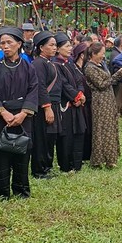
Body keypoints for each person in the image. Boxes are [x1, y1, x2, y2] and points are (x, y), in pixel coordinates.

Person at [0, 27, 38, 200]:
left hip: (23, 116)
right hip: (2, 117)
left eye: (9, 42)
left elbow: (33, 90)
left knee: (22, 151)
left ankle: (21, 190)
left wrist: (23, 113)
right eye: (2, 43)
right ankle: (1, 192)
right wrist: (3, 112)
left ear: (19, 44)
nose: (6, 46)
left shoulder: (28, 67)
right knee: (1, 152)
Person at [84, 42, 122, 168]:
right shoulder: (89, 68)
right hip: (100, 101)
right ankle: (98, 160)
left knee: (110, 128)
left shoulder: (101, 64)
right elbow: (101, 84)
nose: (103, 55)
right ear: (93, 54)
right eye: (102, 53)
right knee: (101, 129)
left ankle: (110, 159)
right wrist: (117, 75)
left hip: (108, 99)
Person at [53, 32, 86, 172]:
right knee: (66, 136)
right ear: (58, 48)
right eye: (66, 46)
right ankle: (66, 165)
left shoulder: (70, 63)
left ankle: (77, 163)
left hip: (77, 104)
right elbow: (63, 85)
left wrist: (81, 94)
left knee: (78, 132)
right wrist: (75, 97)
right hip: (65, 105)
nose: (70, 48)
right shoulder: (56, 65)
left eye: (70, 45)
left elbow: (79, 80)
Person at [30, 31, 60, 179]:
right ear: (41, 47)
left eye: (55, 45)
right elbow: (40, 87)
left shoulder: (48, 62)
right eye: (51, 45)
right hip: (42, 106)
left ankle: (47, 166)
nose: (55, 48)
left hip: (51, 104)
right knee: (41, 138)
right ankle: (39, 169)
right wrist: (47, 107)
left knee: (49, 137)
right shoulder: (38, 63)